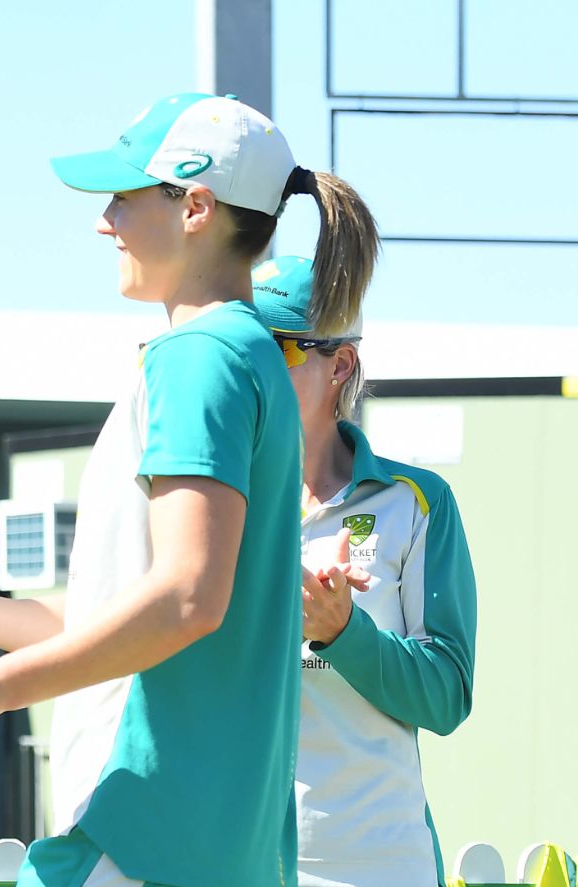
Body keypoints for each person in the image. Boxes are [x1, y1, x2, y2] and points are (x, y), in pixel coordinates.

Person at [0, 93, 380, 887]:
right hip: (208, 840)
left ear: (195, 207)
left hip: (138, 825)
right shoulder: (248, 355)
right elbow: (128, 615)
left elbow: (185, 600)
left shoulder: (197, 356)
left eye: (122, 196)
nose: (102, 221)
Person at [252, 256, 477, 887]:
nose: (255, 366)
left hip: (378, 865)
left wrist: (342, 632)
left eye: (282, 348)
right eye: (244, 346)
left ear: (341, 365)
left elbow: (447, 696)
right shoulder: (210, 503)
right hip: (235, 857)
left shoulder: (416, 501)